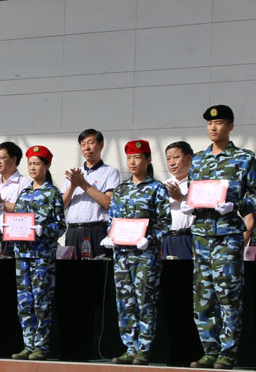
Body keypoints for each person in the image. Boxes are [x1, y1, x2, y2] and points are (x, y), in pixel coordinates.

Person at [185, 106, 256, 370]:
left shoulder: (244, 158)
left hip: (228, 233)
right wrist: (188, 203)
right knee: (203, 295)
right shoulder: (199, 159)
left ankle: (227, 353)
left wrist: (237, 205)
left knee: (228, 293)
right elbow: (194, 190)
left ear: (230, 126)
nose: (213, 128)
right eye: (210, 123)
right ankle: (209, 350)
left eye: (219, 123)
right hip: (201, 234)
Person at [102, 140, 170, 365]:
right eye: (129, 157)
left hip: (145, 254)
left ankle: (144, 348)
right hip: (122, 254)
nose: (132, 162)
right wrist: (110, 235)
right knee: (125, 301)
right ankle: (130, 347)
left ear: (148, 160)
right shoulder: (121, 189)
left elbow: (165, 222)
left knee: (145, 300)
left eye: (138, 157)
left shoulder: (157, 188)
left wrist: (149, 239)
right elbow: (113, 218)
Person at [9, 145, 66, 361]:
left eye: (37, 164)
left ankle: (41, 345)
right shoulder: (24, 193)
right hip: (22, 254)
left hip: (42, 255)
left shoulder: (52, 193)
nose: (33, 168)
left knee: (41, 300)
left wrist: (45, 230)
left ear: (47, 165)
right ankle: (28, 343)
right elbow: (16, 220)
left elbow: (61, 226)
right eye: (30, 164)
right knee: (24, 301)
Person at [62, 129, 121, 259]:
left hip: (96, 231)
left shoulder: (110, 172)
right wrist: (72, 186)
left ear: (101, 145)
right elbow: (61, 206)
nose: (87, 148)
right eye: (83, 144)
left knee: (97, 270)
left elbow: (109, 203)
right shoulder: (75, 173)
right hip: (73, 231)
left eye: (91, 142)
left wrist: (83, 184)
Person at [0, 142, 32, 257]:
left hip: (12, 238)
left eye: (2, 158)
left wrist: (2, 203)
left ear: (14, 159)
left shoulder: (25, 184)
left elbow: (27, 213)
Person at [163, 141, 195, 260]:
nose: (172, 163)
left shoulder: (197, 183)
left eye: (176, 157)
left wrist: (181, 198)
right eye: (168, 159)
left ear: (189, 158)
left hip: (188, 237)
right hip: (167, 238)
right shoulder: (164, 185)